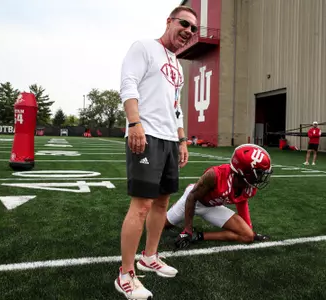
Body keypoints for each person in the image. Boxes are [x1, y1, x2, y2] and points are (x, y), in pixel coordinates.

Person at [115, 5, 198, 300]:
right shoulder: (144, 47)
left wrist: (182, 139)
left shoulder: (177, 66)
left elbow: (176, 107)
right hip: (146, 135)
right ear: (169, 22)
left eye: (193, 29)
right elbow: (128, 85)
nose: (188, 31)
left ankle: (149, 256)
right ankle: (125, 273)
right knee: (142, 206)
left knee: (162, 203)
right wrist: (134, 122)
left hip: (169, 140)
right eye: (184, 24)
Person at [171, 144, 273, 249]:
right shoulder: (215, 175)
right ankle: (177, 207)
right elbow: (192, 197)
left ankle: (198, 236)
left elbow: (241, 201)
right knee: (165, 225)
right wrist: (187, 230)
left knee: (248, 236)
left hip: (212, 206)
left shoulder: (249, 185)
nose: (261, 177)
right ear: (244, 171)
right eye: (259, 173)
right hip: (193, 200)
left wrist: (249, 229)